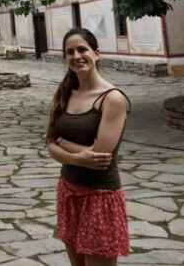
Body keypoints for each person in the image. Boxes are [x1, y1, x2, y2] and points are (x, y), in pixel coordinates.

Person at [46, 28, 131, 265]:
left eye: (82, 49)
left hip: (99, 196)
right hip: (68, 191)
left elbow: (100, 157)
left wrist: (64, 145)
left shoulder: (112, 98)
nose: (76, 56)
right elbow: (50, 145)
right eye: (69, 52)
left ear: (96, 53)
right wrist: (76, 156)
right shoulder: (65, 93)